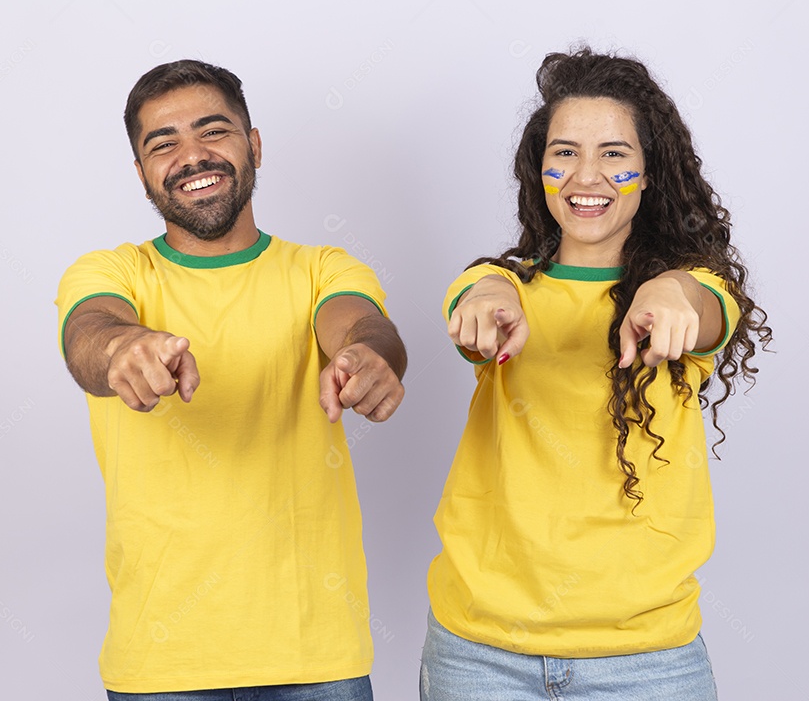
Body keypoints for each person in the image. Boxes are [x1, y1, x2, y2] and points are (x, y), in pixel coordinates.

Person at [422, 48, 771, 700]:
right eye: (565, 152)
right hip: (480, 658)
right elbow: (478, 301)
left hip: (646, 663)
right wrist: (487, 306)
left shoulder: (696, 289)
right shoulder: (501, 285)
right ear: (541, 167)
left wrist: (666, 295)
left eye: (614, 153)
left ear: (649, 171)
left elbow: (700, 310)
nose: (587, 174)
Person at [55, 60, 406, 701]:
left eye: (212, 131)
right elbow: (90, 334)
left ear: (255, 145)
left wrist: (369, 358)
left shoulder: (321, 267)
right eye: (163, 143)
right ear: (141, 174)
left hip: (316, 661)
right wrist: (123, 348)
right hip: (160, 666)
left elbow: (359, 325)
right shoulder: (111, 271)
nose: (192, 156)